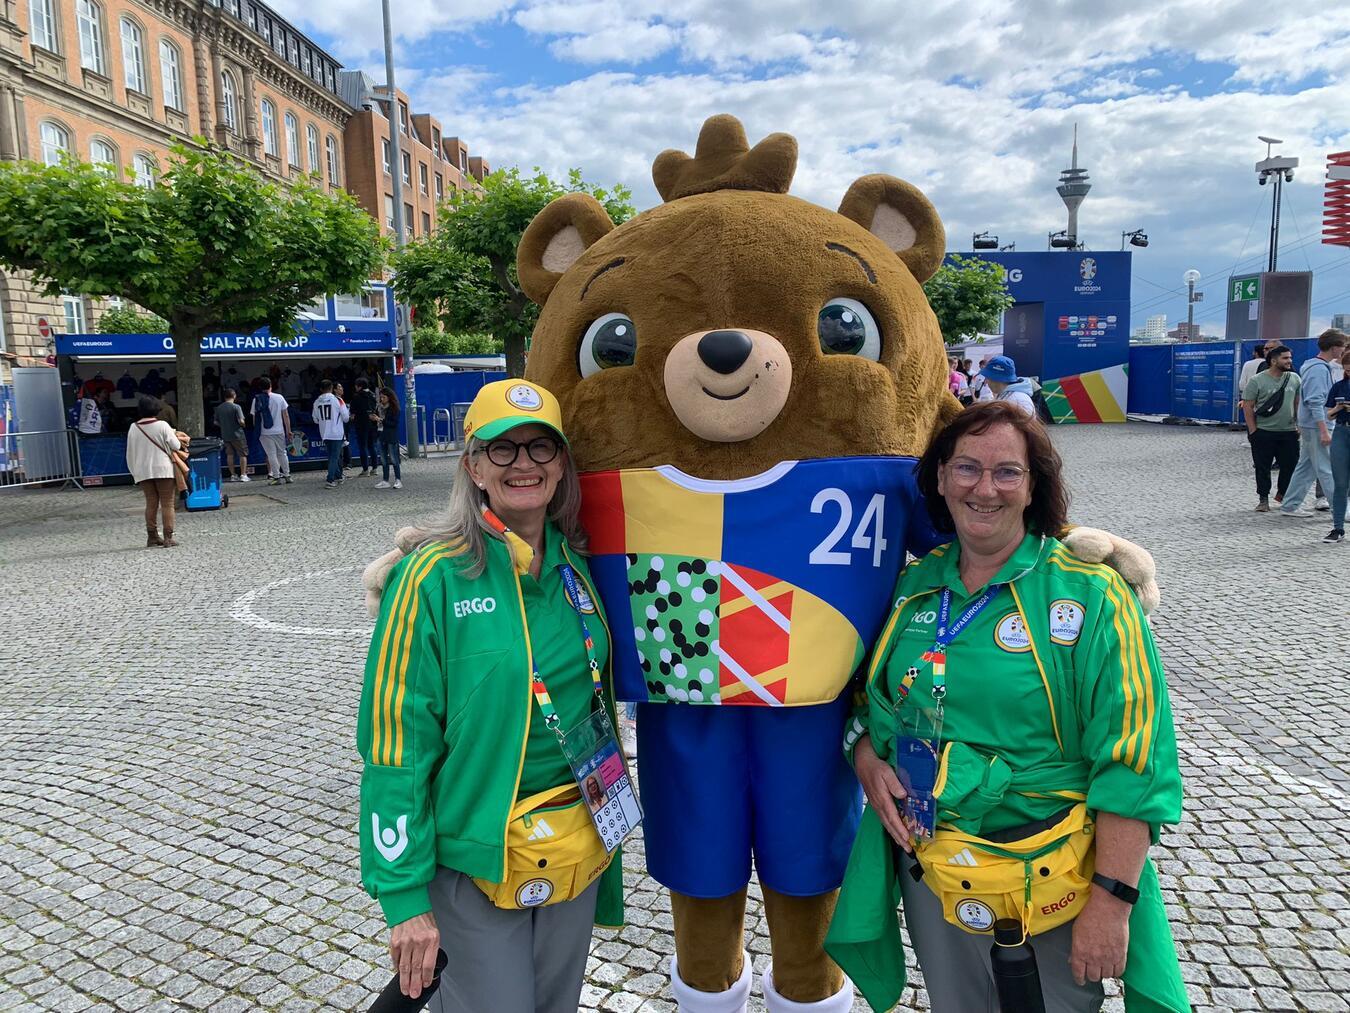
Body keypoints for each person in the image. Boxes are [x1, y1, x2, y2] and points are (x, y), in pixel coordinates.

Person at [833, 401, 1186, 1013]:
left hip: (1054, 866)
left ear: (1033, 486)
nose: (984, 488)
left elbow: (1134, 763)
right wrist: (865, 757)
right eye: (966, 468)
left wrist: (1111, 901)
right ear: (940, 479)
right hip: (933, 862)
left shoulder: (1089, 592)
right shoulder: (914, 586)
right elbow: (865, 700)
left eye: (1007, 472)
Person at [357, 378, 624, 1011]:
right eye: (502, 449)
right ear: (472, 465)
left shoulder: (575, 562)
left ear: (561, 464)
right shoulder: (431, 576)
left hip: (576, 834)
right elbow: (397, 743)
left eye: (540, 447)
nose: (523, 464)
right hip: (477, 854)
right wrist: (404, 898)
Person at [1279, 329, 1348, 518]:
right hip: (1318, 426)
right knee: (1327, 468)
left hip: (1311, 425)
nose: (1344, 350)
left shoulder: (1313, 366)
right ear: (1334, 348)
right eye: (1342, 347)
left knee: (1306, 468)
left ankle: (1290, 505)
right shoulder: (1319, 369)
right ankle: (1340, 509)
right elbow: (1315, 401)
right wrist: (1324, 430)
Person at [1242, 344, 1301, 512]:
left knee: (1290, 465)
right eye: (1285, 358)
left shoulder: (1294, 378)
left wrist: (1298, 424)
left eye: (1290, 357)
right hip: (1264, 432)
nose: (1289, 361)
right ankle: (1263, 499)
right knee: (1263, 467)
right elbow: (1248, 406)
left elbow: (1297, 403)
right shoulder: (1257, 380)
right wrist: (1253, 430)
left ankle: (1283, 494)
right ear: (1273, 361)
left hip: (1288, 432)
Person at [126, 396, 183, 547]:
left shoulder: (133, 427)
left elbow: (130, 452)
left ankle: (152, 536)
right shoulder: (163, 425)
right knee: (167, 503)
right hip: (163, 468)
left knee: (151, 503)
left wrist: (134, 471)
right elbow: (176, 445)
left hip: (143, 470)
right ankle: (168, 537)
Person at [1323, 349, 1350, 543]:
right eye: (1347, 370)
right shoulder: (1339, 386)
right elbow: (1328, 414)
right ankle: (1338, 527)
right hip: (1341, 430)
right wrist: (1339, 408)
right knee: (1340, 483)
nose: (1348, 373)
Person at [252, 376, 293, 485]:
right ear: (271, 385)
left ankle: (276, 476)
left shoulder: (257, 399)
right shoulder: (279, 397)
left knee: (271, 454)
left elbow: (254, 417)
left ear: (260, 387)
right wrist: (288, 430)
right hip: (279, 430)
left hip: (264, 431)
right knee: (282, 453)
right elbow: (286, 415)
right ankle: (287, 475)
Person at [313, 379, 349, 489]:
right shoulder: (338, 400)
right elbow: (346, 418)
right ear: (331, 388)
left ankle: (338, 476)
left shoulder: (316, 402)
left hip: (324, 432)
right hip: (336, 433)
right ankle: (330, 479)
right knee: (335, 456)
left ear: (320, 389)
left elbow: (315, 419)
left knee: (332, 456)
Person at [215, 388, 250, 483]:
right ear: (234, 396)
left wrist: (224, 425)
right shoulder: (236, 407)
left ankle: (233, 475)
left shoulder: (219, 408)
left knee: (229, 455)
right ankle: (243, 475)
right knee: (242, 454)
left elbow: (215, 422)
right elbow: (241, 421)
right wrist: (243, 425)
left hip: (225, 434)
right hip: (238, 434)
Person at [351, 378, 380, 477]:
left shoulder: (357, 396)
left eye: (356, 385)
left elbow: (352, 410)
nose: (355, 387)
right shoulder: (373, 395)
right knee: (372, 446)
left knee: (363, 447)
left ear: (360, 386)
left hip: (361, 424)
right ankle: (375, 468)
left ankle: (365, 469)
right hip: (372, 424)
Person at [375, 388, 402, 489]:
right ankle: (385, 480)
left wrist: (381, 420)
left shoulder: (394, 408)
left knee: (394, 459)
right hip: (381, 435)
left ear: (389, 397)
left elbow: (393, 424)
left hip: (390, 436)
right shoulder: (379, 407)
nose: (382, 399)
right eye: (381, 397)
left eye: (384, 397)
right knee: (383, 460)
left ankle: (398, 480)